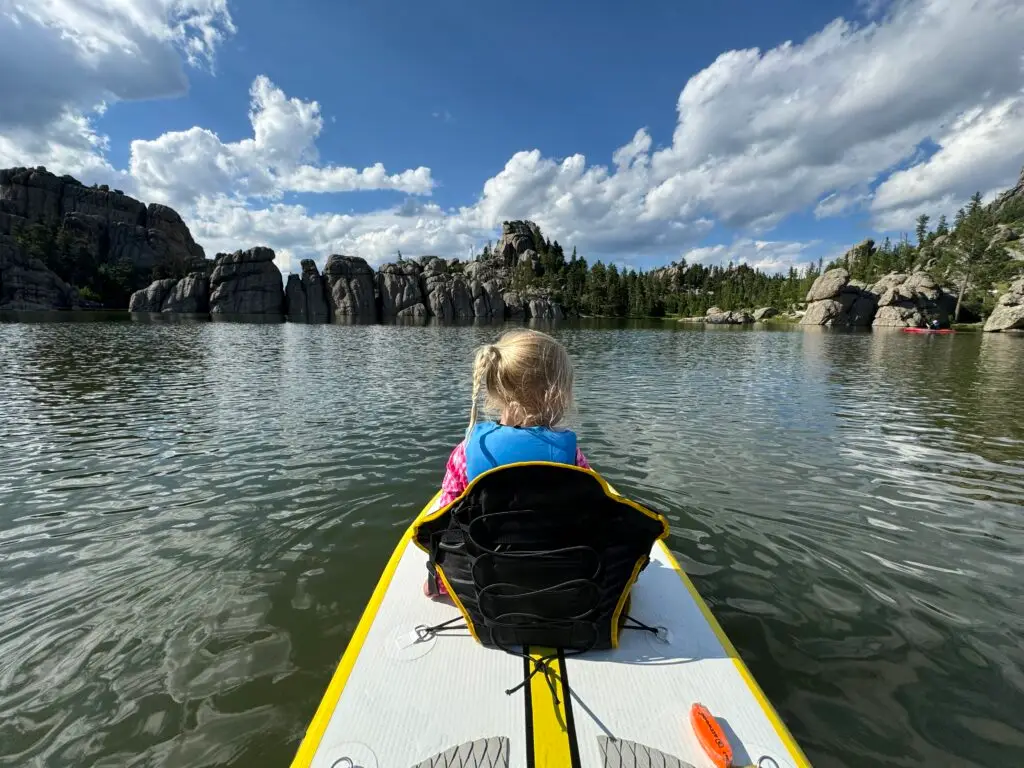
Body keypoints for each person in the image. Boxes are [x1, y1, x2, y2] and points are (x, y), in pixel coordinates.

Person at [424, 328, 590, 598]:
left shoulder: (467, 452)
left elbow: (447, 523)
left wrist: (439, 581)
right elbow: (593, 510)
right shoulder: (571, 456)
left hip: (485, 579)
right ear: (557, 394)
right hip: (555, 578)